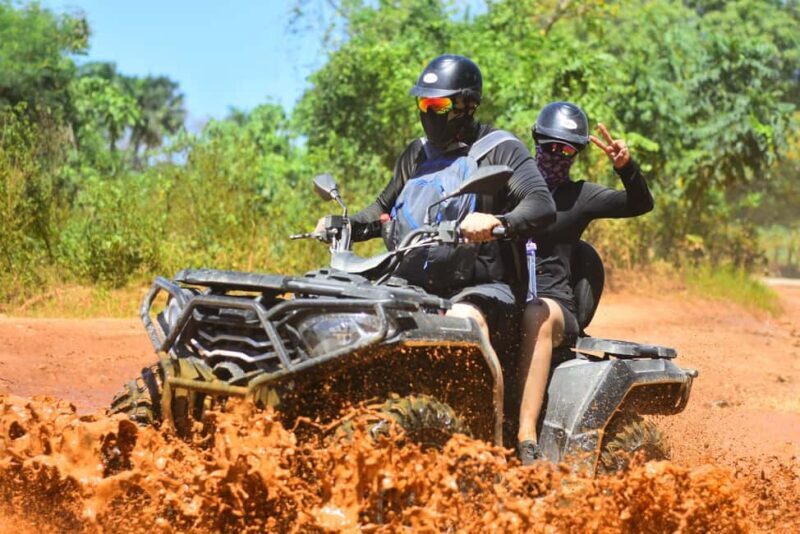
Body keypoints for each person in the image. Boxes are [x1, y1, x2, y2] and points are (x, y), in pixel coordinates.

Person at [316, 54, 556, 352]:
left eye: (438, 105)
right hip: (410, 282)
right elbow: (382, 208)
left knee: (461, 320)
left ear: (468, 106)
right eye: (424, 104)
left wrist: (498, 222)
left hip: (481, 289)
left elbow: (541, 203)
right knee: (347, 309)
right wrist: (344, 224)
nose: (429, 113)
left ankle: (476, 399)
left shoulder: (499, 148)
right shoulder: (418, 154)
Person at [515, 102, 655, 464]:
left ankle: (526, 437)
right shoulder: (511, 186)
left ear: (576, 154)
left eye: (567, 150)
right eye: (551, 147)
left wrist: (626, 167)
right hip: (507, 298)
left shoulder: (579, 196)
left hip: (555, 307)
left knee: (537, 313)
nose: (557, 156)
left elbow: (640, 203)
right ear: (536, 141)